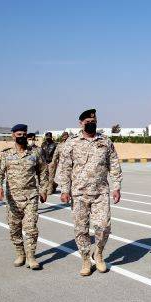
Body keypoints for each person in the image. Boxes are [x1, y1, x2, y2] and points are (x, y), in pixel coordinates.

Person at [59, 109, 123, 276]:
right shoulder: (72, 143)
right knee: (81, 229)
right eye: (87, 122)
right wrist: (64, 190)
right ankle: (86, 260)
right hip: (78, 193)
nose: (90, 124)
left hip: (101, 192)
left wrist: (116, 186)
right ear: (80, 123)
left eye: (93, 121)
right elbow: (65, 168)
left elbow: (114, 165)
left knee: (104, 227)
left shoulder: (105, 141)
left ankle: (98, 254)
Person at [0, 124, 48, 270]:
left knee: (31, 228)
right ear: (13, 135)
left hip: (31, 196)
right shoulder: (6, 154)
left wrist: (43, 190)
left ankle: (31, 256)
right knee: (14, 228)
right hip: (12, 198)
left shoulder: (35, 152)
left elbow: (43, 171)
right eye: (19, 135)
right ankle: (20, 254)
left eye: (24, 134)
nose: (22, 137)